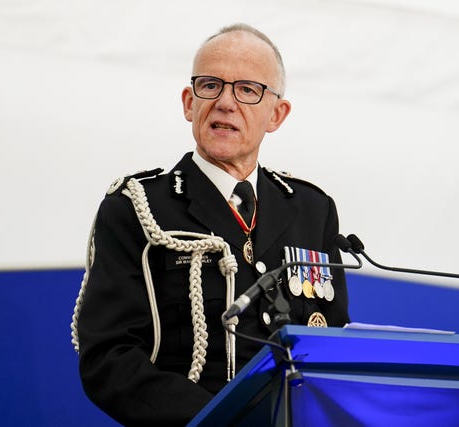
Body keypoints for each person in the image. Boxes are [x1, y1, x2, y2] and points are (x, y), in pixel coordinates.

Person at [71, 23, 350, 426]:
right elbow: (108, 358)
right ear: (188, 103)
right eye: (210, 85)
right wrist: (219, 418)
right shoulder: (137, 208)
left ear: (277, 114)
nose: (224, 102)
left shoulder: (312, 209)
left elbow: (330, 342)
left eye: (248, 89)